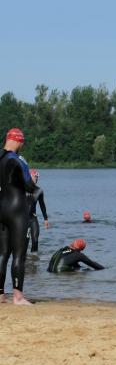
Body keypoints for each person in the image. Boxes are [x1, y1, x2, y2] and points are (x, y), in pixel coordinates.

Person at [0, 128, 38, 304]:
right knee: (19, 254)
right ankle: (18, 297)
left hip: (1, 209)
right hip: (17, 211)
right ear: (19, 141)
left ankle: (0, 295)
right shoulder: (17, 160)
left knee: (2, 254)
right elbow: (30, 186)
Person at [27, 169, 50, 253]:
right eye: (35, 177)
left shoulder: (39, 190)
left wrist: (46, 219)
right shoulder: (22, 188)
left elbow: (42, 205)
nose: (36, 178)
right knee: (24, 241)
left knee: (35, 240)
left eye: (37, 177)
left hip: (33, 218)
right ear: (29, 177)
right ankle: (23, 257)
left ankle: (34, 258)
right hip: (22, 219)